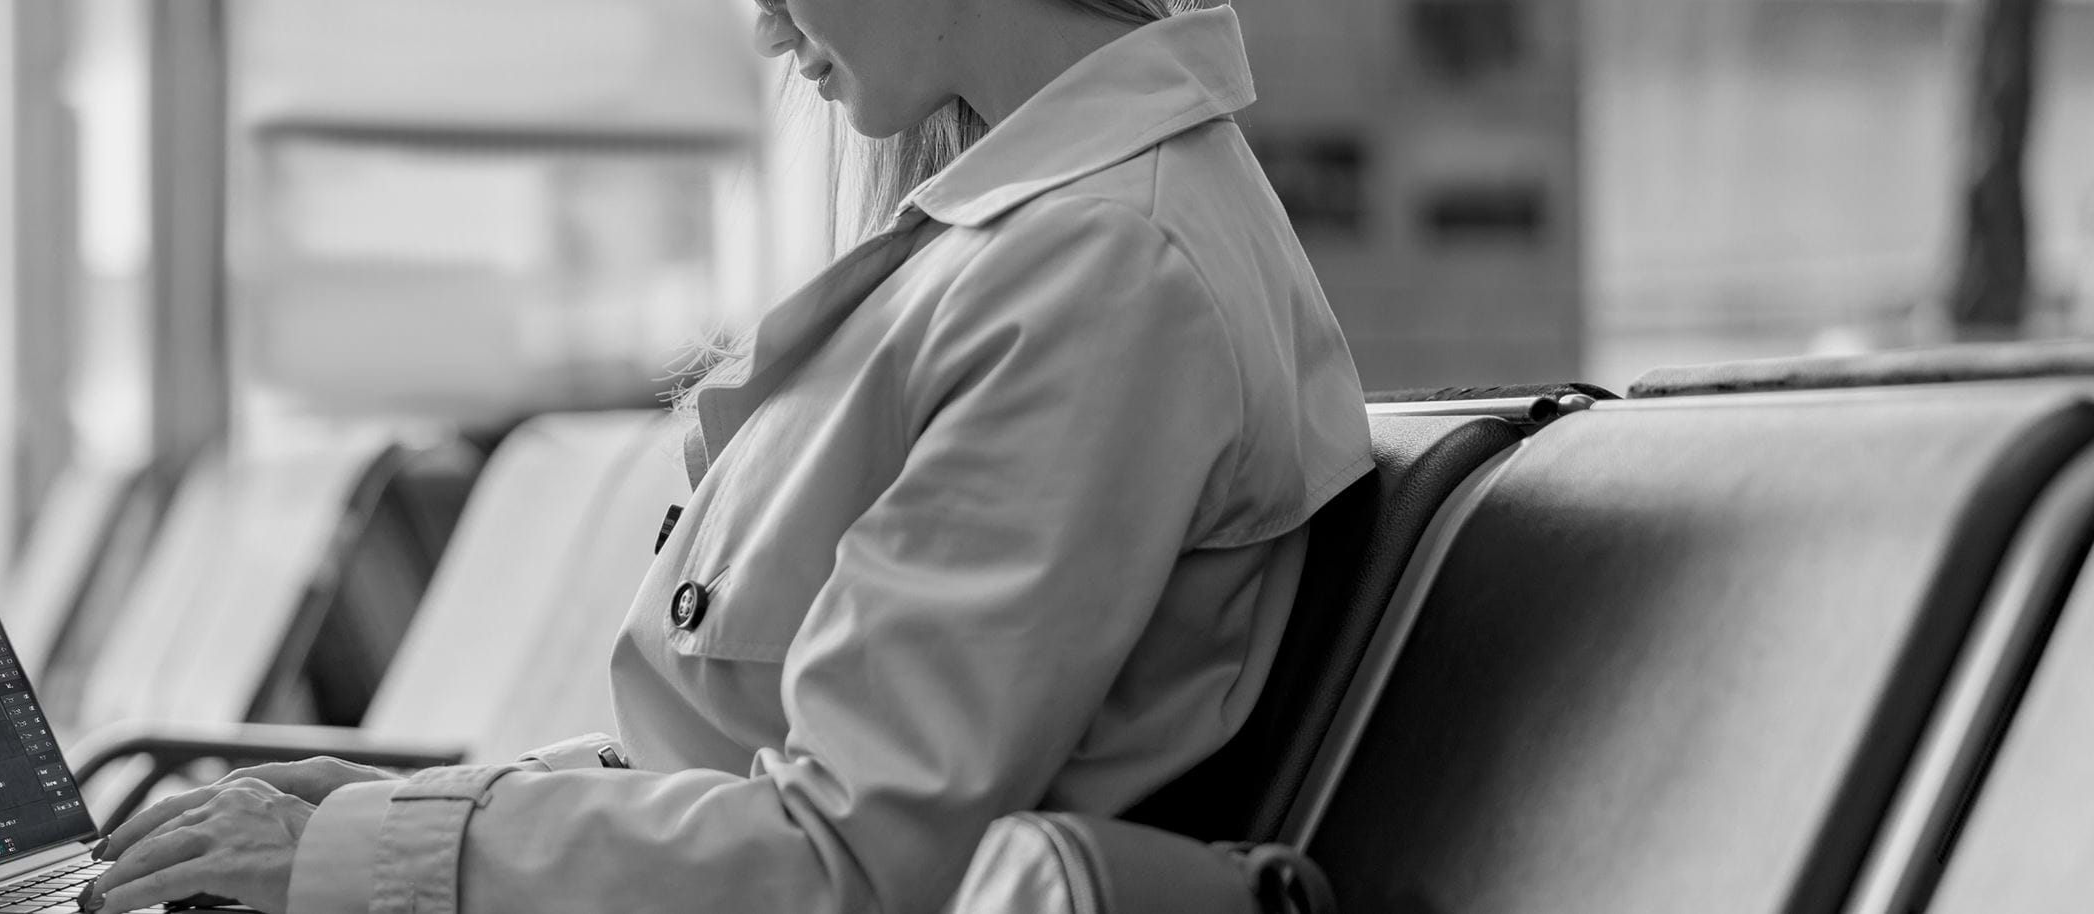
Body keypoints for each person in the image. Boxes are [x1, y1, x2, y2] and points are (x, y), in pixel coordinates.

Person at [86, 0, 1370, 911]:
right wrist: (378, 820)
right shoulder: (1049, 239)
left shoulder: (1101, 271)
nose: (763, 29)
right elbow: (756, 767)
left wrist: (375, 852)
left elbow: (848, 859)